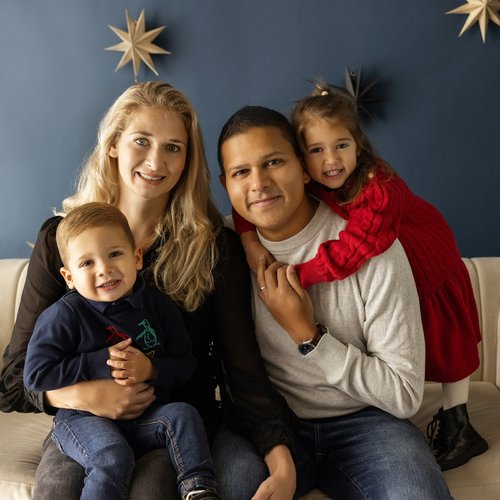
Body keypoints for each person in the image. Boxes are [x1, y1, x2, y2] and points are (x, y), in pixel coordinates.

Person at [0, 82, 296, 500]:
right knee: (61, 487)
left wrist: (282, 461)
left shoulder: (213, 248)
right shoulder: (61, 241)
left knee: (151, 490)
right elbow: (15, 377)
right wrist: (89, 395)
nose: (156, 161)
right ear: (114, 145)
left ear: (187, 160)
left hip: (173, 424)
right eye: (142, 141)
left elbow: (241, 369)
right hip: (84, 420)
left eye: (174, 147)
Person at [231, 85, 487, 471]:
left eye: (341, 146)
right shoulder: (311, 181)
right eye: (317, 150)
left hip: (430, 262)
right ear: (304, 161)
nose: (330, 159)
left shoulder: (377, 190)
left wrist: (296, 276)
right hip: (283, 420)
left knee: (449, 347)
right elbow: (250, 195)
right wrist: (249, 239)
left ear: (358, 144)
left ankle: (459, 425)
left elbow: (353, 250)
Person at [23, 202, 218, 500]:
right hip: (83, 419)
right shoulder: (64, 316)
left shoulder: (158, 307)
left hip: (145, 419)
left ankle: (198, 488)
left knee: (183, 414)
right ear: (69, 277)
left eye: (115, 254)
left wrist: (151, 370)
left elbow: (186, 364)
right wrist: (98, 362)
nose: (105, 269)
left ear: (136, 257)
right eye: (87, 263)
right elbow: (36, 376)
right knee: (113, 455)